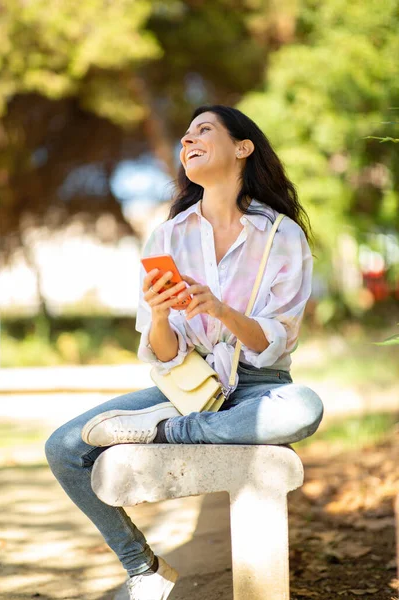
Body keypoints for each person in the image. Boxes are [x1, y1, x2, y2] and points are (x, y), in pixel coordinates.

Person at [45, 104, 324, 600]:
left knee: (304, 408)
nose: (187, 140)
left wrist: (219, 310)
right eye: (184, 135)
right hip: (190, 389)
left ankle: (166, 432)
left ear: (243, 147)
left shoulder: (281, 235)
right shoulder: (167, 237)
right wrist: (156, 316)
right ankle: (143, 568)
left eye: (204, 130)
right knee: (63, 448)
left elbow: (273, 342)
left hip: (259, 392)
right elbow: (165, 355)